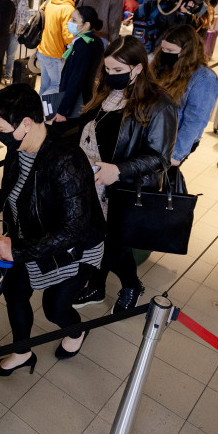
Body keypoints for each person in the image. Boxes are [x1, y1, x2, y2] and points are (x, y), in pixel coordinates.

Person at [0, 85, 105, 374]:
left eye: (0, 128)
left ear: (26, 123)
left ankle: (77, 330)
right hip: (29, 237)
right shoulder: (18, 148)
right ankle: (22, 352)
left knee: (55, 308)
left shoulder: (66, 160)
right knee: (15, 291)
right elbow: (11, 189)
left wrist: (18, 249)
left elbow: (74, 229)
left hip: (75, 248)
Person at [74, 37, 177, 312]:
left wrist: (118, 170)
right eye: (107, 69)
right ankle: (97, 287)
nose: (111, 75)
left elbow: (160, 157)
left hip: (127, 188)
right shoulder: (107, 90)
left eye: (118, 70)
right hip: (95, 184)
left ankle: (131, 285)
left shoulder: (159, 103)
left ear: (138, 68)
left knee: (114, 245)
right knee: (100, 239)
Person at [152, 25, 218, 165]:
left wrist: (176, 154)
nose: (164, 53)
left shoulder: (204, 78)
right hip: (155, 134)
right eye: (163, 49)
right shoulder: (164, 66)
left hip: (173, 141)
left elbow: (196, 120)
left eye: (170, 50)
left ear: (187, 52)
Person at [51, 5, 105, 126]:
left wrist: (62, 110)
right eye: (71, 19)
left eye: (74, 20)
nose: (70, 22)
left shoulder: (83, 46)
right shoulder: (93, 41)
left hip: (75, 101)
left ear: (86, 25)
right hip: (85, 97)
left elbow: (75, 80)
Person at [37, 0, 75, 96]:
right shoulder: (68, 8)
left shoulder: (49, 1)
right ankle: (38, 103)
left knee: (45, 85)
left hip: (42, 49)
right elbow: (67, 36)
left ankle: (37, 107)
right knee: (56, 86)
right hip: (55, 52)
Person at [3, 0, 32, 84]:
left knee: (11, 55)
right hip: (3, 30)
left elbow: (26, 11)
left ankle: (8, 76)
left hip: (16, 30)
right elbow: (4, 7)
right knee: (0, 54)